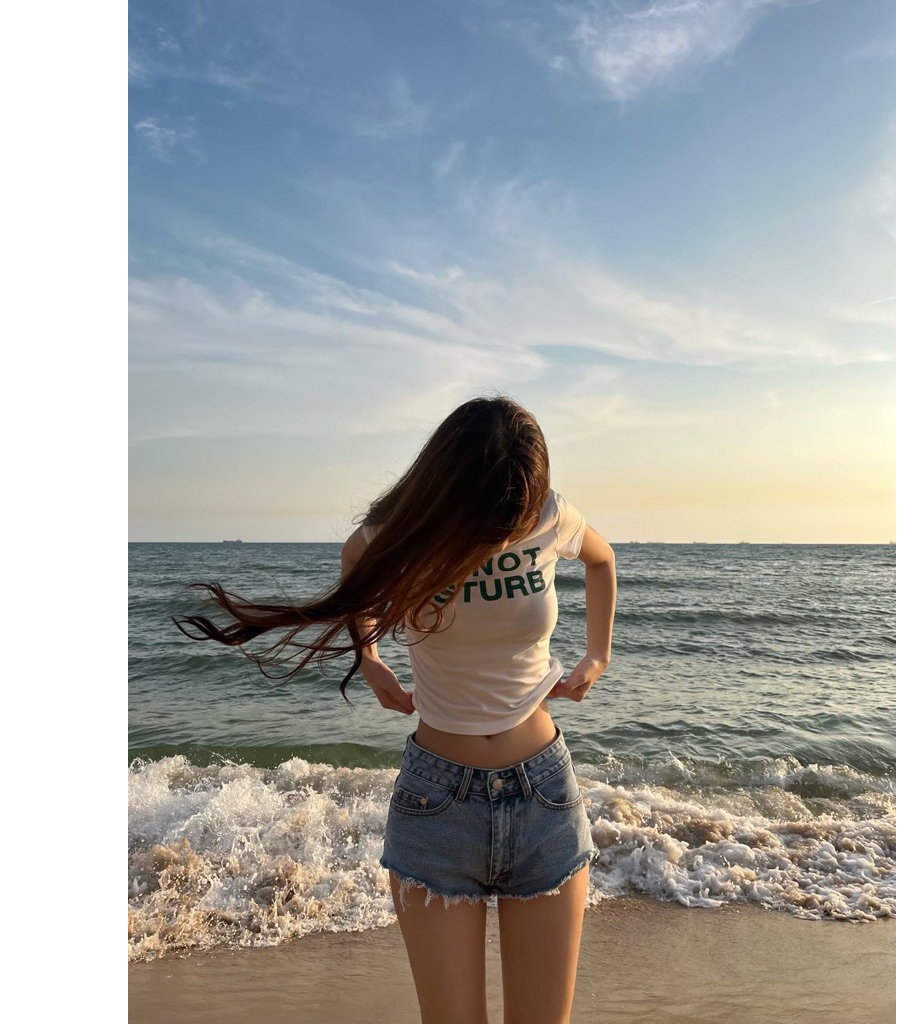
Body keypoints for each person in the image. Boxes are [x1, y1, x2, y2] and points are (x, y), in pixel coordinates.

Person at [175, 395, 617, 1024]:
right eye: (486, 522)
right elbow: (354, 558)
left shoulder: (547, 513)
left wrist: (597, 655)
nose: (498, 536)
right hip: (437, 807)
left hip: (543, 796)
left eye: (511, 523)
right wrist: (371, 658)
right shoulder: (403, 531)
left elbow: (601, 560)